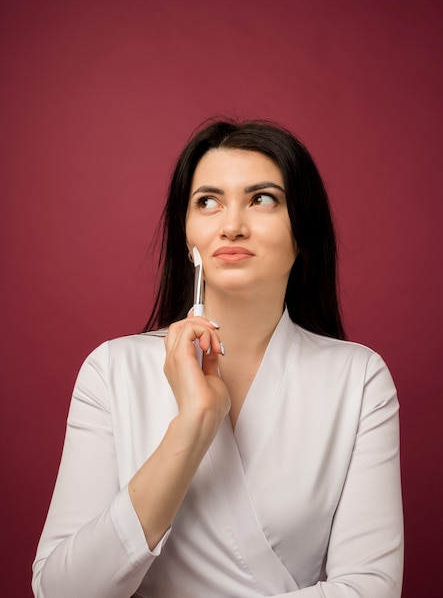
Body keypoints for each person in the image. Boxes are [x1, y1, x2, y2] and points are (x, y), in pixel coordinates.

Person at [32, 119, 404, 597]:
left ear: (303, 233)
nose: (231, 225)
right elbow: (60, 591)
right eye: (207, 201)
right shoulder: (112, 371)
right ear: (186, 236)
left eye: (262, 198)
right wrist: (192, 426)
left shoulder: (358, 378)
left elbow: (371, 588)